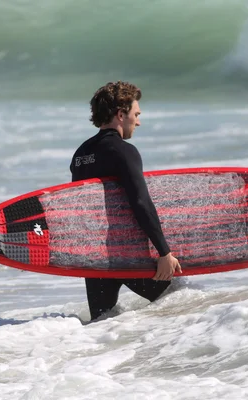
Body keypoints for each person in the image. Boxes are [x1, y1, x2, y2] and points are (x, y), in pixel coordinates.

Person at [70, 81, 182, 321]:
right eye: (136, 114)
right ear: (121, 115)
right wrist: (164, 253)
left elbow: (80, 210)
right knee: (183, 301)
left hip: (95, 261)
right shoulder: (124, 151)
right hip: (129, 255)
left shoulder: (80, 155)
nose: (138, 121)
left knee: (103, 325)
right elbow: (140, 201)